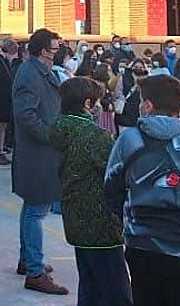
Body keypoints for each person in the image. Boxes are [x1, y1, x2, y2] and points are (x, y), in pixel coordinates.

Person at [104, 74, 180, 306]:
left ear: (148, 105)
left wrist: (129, 227)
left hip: (141, 245)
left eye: (141, 102)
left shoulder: (127, 141)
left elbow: (111, 190)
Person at [51, 76, 130, 306]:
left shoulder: (59, 130)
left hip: (75, 218)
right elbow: (117, 173)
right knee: (116, 290)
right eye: (96, 101)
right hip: (101, 224)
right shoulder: (93, 136)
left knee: (89, 286)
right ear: (87, 104)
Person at [12, 29, 68, 296]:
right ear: (44, 51)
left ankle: (27, 260)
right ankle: (34, 270)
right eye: (55, 49)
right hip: (37, 153)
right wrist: (50, 136)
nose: (57, 54)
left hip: (42, 152)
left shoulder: (40, 72)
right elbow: (26, 114)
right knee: (36, 211)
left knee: (31, 208)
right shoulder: (30, 74)